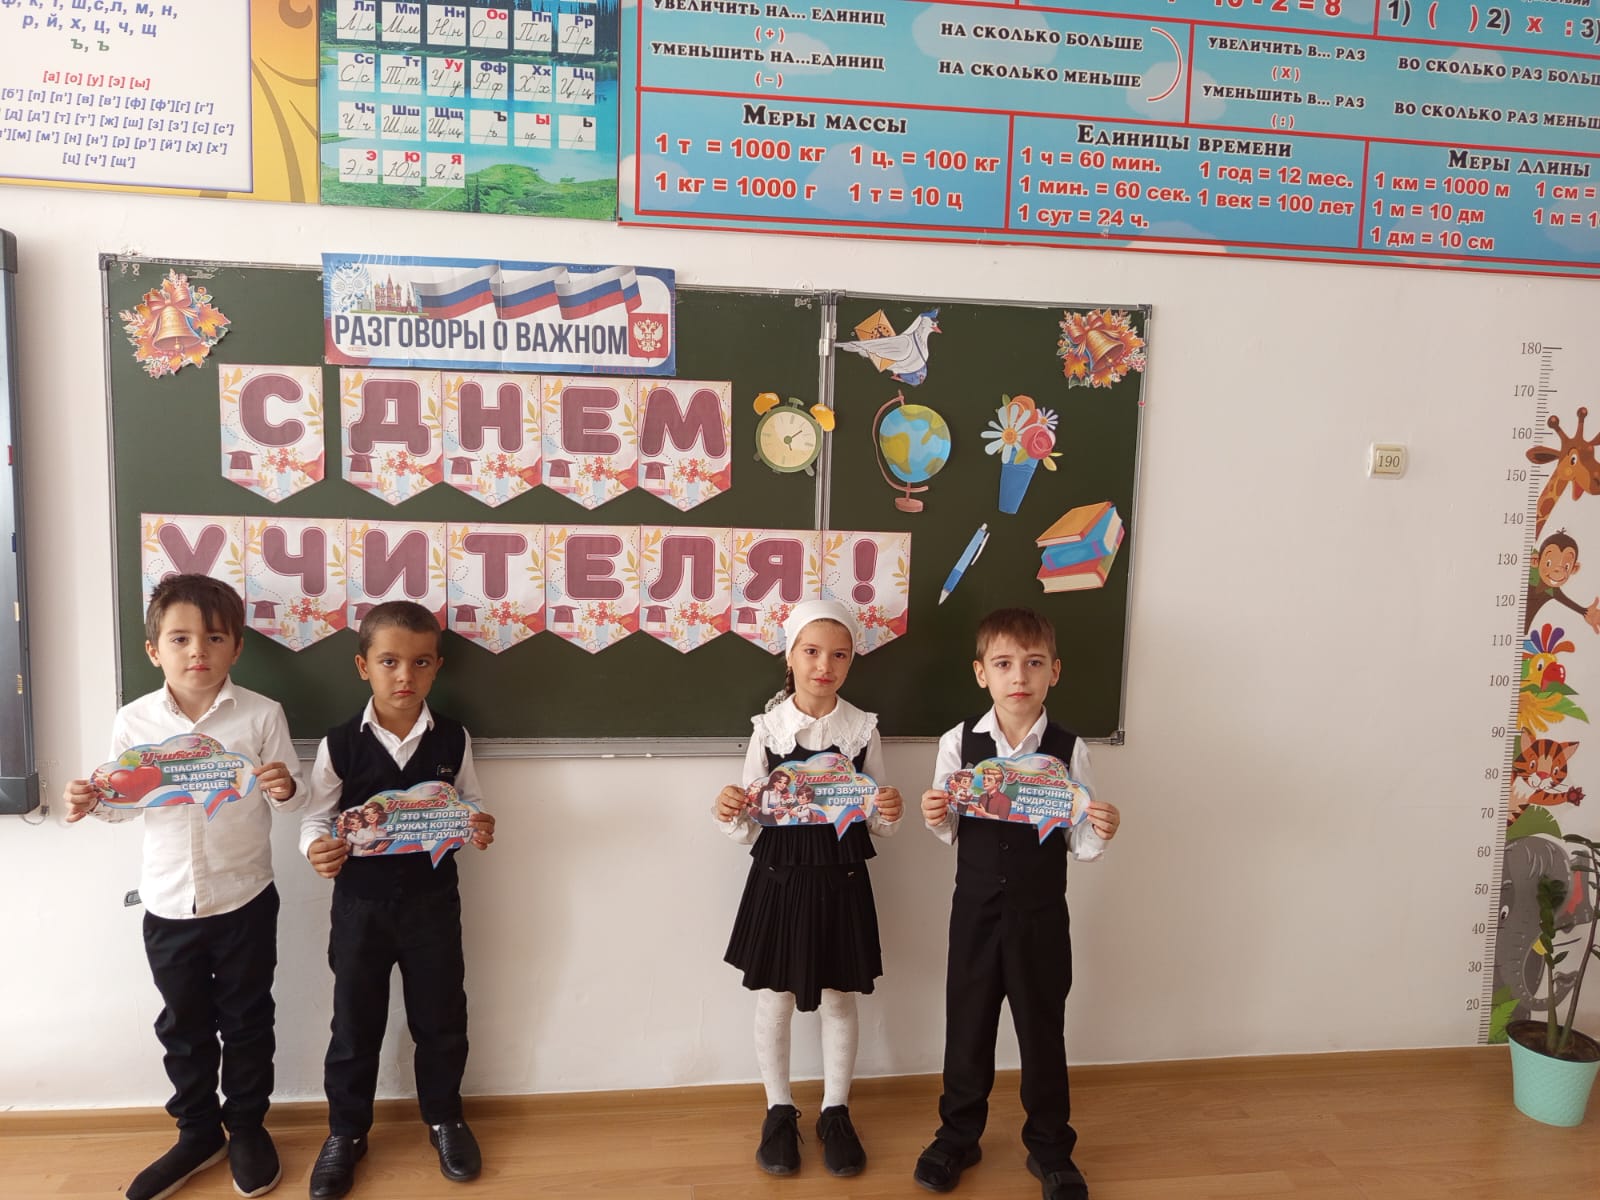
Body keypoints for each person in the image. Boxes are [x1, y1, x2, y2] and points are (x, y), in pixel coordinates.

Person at [62, 574, 304, 1200]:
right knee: (183, 1025)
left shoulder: (262, 714)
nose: (199, 650)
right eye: (180, 638)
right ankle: (198, 1132)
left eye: (215, 637)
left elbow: (291, 798)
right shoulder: (134, 720)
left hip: (245, 895)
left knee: (248, 1020)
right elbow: (122, 805)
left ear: (237, 647)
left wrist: (284, 787)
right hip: (168, 901)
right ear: (154, 650)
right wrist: (92, 800)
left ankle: (246, 1126)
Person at [913, 608, 1122, 1200]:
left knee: (1041, 1030)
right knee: (968, 1026)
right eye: (1004, 664)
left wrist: (1100, 827)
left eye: (1033, 663)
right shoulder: (959, 742)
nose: (1019, 676)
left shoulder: (1068, 749)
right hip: (975, 913)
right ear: (982, 673)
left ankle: (1051, 1147)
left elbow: (1081, 841)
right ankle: (958, 1136)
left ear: (1054, 671)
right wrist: (935, 814)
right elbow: (949, 826)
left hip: (1040, 916)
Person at [298, 601, 497, 1199]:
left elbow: (470, 802)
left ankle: (444, 1118)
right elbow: (316, 816)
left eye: (420, 662)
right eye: (389, 662)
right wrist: (315, 848)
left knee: (441, 1017)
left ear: (437, 667)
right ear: (364, 666)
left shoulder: (453, 738)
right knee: (354, 1022)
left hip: (432, 904)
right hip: (360, 907)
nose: (405, 675)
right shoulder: (340, 742)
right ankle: (346, 1132)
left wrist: (479, 824)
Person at [712, 599, 904, 1179]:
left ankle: (836, 1111)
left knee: (841, 996)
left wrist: (889, 808)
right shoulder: (768, 731)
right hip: (780, 876)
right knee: (775, 996)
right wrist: (729, 809)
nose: (825, 665)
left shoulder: (862, 730)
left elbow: (879, 819)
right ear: (790, 656)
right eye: (812, 652)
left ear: (851, 662)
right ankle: (778, 1110)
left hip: (841, 876)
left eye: (839, 655)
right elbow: (749, 821)